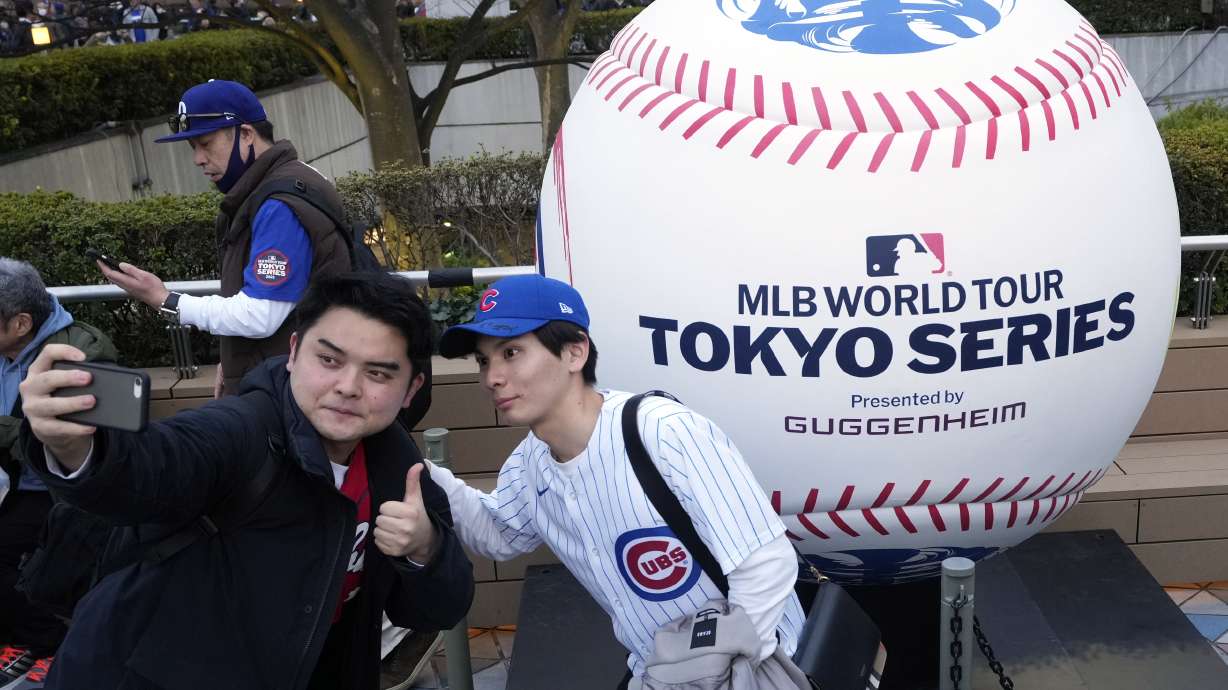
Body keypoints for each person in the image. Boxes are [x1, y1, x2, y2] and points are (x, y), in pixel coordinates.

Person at [17, 272, 473, 690]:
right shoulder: (242, 431)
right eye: (329, 360)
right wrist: (76, 449)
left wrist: (425, 549)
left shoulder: (395, 464)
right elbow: (156, 466)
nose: (348, 386)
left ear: (411, 389)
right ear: (293, 353)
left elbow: (439, 609)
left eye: (377, 373)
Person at [428, 274, 805, 685]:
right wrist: (416, 471)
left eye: (512, 352)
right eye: (484, 360)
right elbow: (499, 533)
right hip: (658, 670)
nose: (492, 377)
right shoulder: (529, 461)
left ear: (575, 352)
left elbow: (765, 565)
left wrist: (722, 674)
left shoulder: (664, 433)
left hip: (759, 667)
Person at [97, 80, 355, 398]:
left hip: (290, 394)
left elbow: (261, 316)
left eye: (205, 143)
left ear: (246, 134)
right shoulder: (291, 178)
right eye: (193, 147)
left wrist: (165, 299)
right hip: (288, 381)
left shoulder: (277, 205)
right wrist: (231, 361)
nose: (198, 159)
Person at [0, 259, 117, 685]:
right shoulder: (6, 351)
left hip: (63, 491)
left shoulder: (82, 351)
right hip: (13, 483)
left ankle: (47, 643)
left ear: (21, 323)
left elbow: (83, 435)